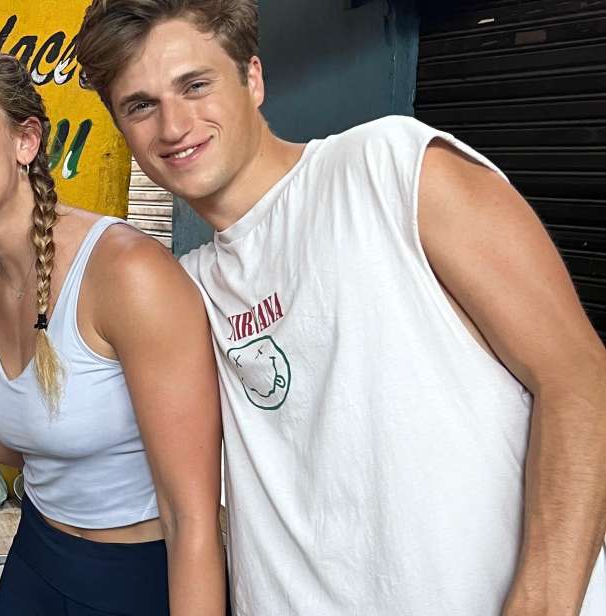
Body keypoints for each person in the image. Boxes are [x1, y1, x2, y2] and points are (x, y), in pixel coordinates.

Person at [49, 0, 606, 614]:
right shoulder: (185, 287)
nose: (174, 125)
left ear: (252, 78)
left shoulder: (389, 166)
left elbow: (579, 379)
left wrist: (544, 603)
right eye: (140, 105)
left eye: (196, 85)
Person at [0, 43, 227, 616]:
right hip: (36, 561)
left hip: (136, 578)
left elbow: (192, 516)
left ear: (25, 140)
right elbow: (31, 441)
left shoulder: (127, 273)